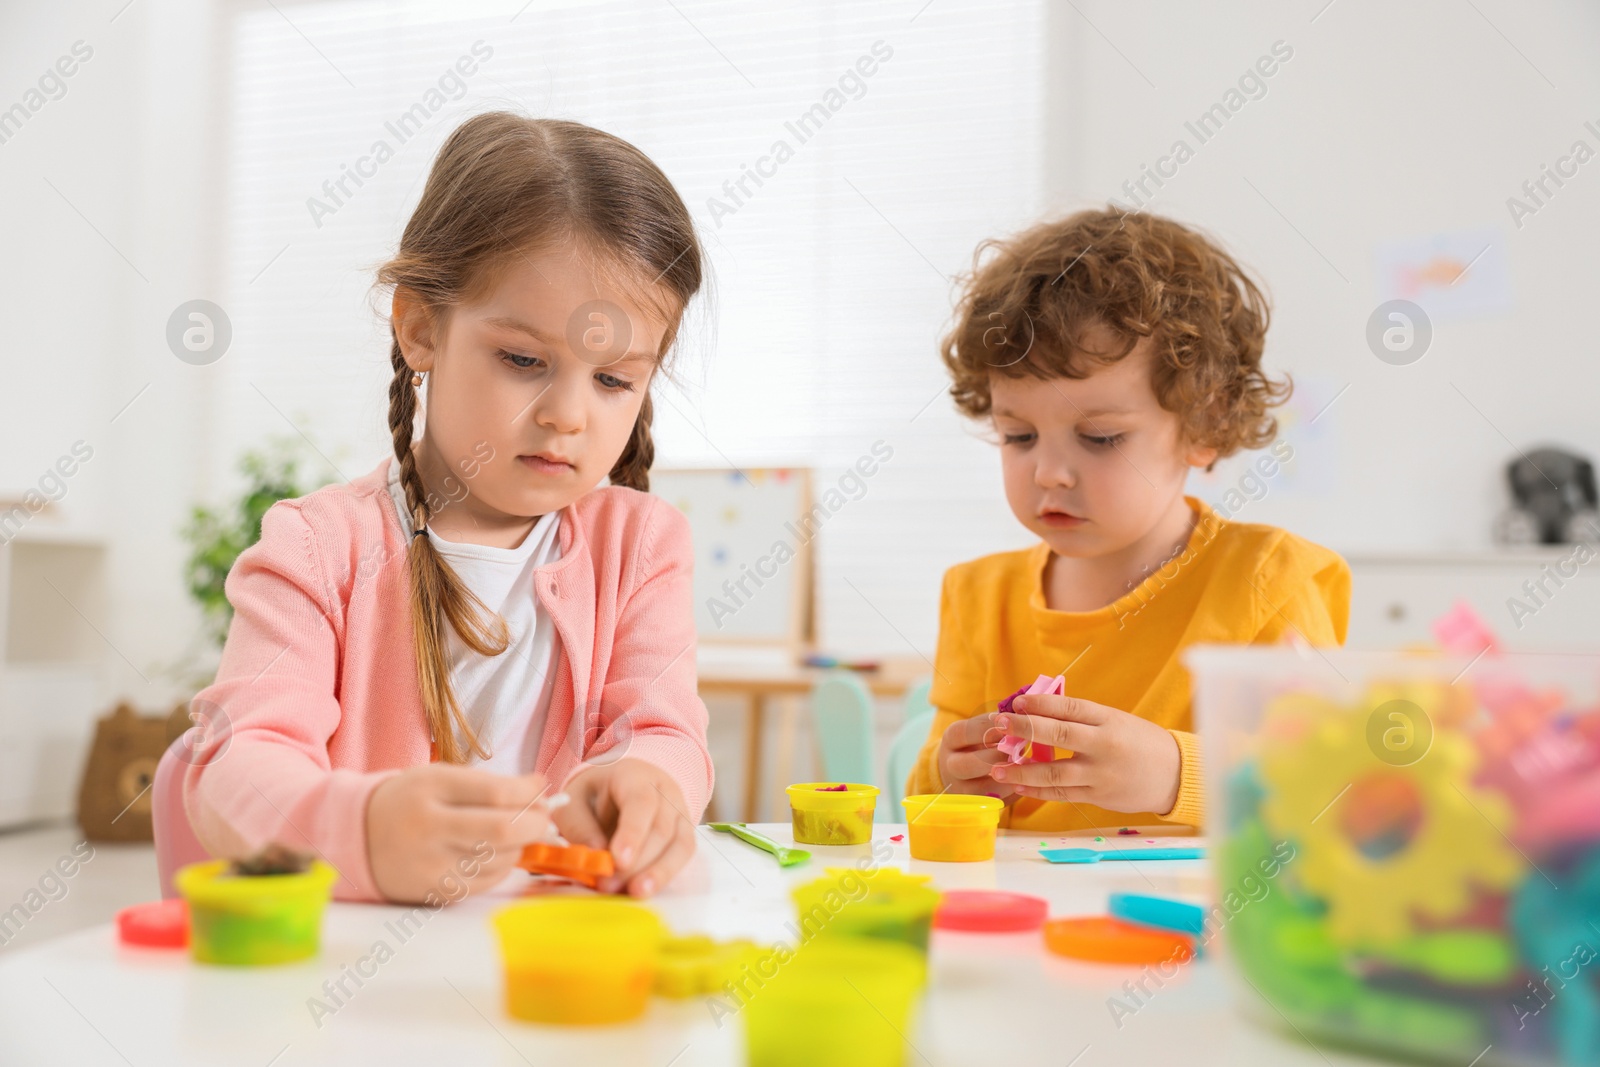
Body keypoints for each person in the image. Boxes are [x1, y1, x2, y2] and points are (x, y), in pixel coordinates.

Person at [182, 113, 712, 902]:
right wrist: (357, 828)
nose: (570, 413)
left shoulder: (641, 546)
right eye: (524, 360)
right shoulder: (317, 548)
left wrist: (644, 784)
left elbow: (664, 730)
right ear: (421, 328)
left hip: (553, 965)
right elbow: (235, 761)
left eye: (614, 380)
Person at [908, 208, 1349, 831]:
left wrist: (1175, 772)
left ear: (1206, 425)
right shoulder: (977, 595)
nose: (1049, 473)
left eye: (1100, 438)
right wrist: (954, 779)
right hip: (1023, 915)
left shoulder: (1269, 580)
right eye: (1019, 435)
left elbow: (1329, 793)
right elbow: (931, 795)